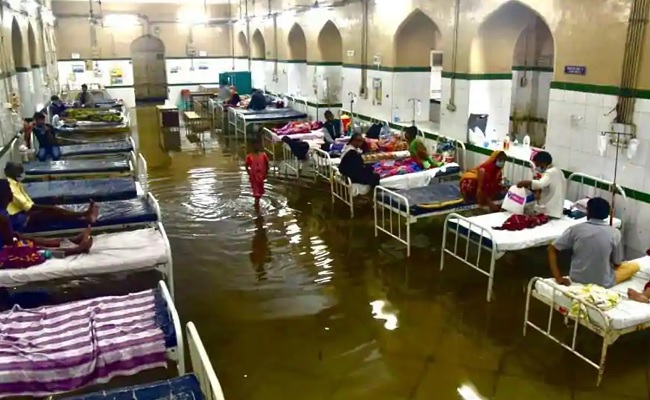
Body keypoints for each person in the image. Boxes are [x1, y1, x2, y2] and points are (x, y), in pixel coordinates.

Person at [549, 197, 638, 287]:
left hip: (577, 278)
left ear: (588, 212)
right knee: (634, 266)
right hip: (603, 282)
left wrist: (558, 277)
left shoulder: (575, 230)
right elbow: (617, 262)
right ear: (607, 214)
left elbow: (551, 249)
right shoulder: (615, 233)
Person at [0, 178, 93, 257]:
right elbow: (11, 243)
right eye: (9, 190)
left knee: (32, 240)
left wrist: (20, 237)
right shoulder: (3, 217)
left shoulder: (3, 212)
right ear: (6, 195)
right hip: (3, 255)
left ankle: (73, 240)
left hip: (7, 243)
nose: (12, 193)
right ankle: (76, 250)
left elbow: (9, 237)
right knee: (35, 248)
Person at [4, 162, 98, 232]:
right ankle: (85, 214)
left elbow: (29, 204)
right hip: (18, 219)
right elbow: (29, 207)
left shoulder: (14, 183)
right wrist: (50, 207)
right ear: (14, 174)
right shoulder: (11, 187)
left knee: (53, 210)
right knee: (54, 211)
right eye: (20, 172)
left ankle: (85, 216)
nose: (22, 174)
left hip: (22, 214)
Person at [516, 151, 566, 219]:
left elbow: (540, 184)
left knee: (524, 212)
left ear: (544, 163)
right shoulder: (558, 171)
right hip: (558, 210)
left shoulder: (550, 173)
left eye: (537, 165)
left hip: (550, 212)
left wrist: (525, 182)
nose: (537, 168)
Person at [245, 140, 269, 209]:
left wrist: (266, 173)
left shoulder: (263, 155)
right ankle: (256, 205)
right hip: (253, 176)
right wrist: (249, 173)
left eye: (257, 145)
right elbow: (246, 165)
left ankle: (257, 203)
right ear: (252, 147)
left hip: (261, 176)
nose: (255, 147)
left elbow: (267, 164)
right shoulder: (249, 156)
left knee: (260, 190)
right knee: (256, 191)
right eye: (254, 146)